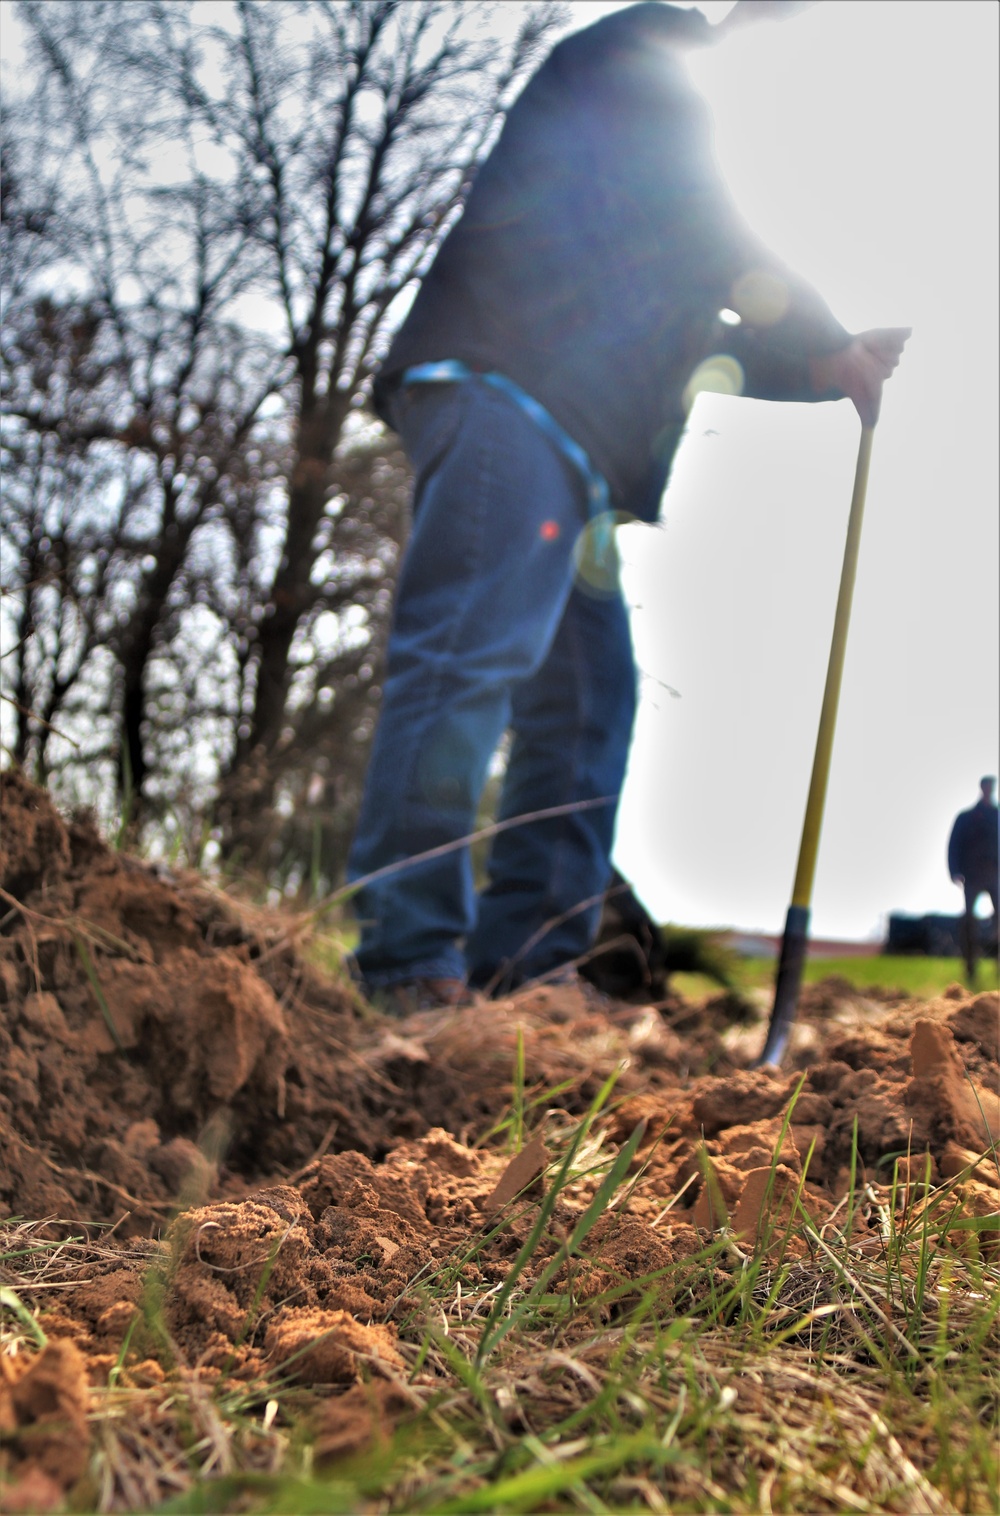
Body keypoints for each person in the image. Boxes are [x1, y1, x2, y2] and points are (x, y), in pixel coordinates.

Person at [347, 0, 909, 1014]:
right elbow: (714, 231)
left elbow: (713, 343)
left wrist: (829, 366)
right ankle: (407, 962)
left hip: (579, 462)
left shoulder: (666, 227)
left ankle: (529, 974)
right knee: (469, 653)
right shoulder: (643, 56)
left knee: (586, 705)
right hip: (504, 386)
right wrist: (826, 331)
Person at [948, 777, 999, 981]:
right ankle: (970, 967)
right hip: (973, 875)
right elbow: (954, 843)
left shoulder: (997, 816)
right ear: (981, 788)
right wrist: (954, 870)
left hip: (995, 875)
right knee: (970, 922)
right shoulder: (967, 817)